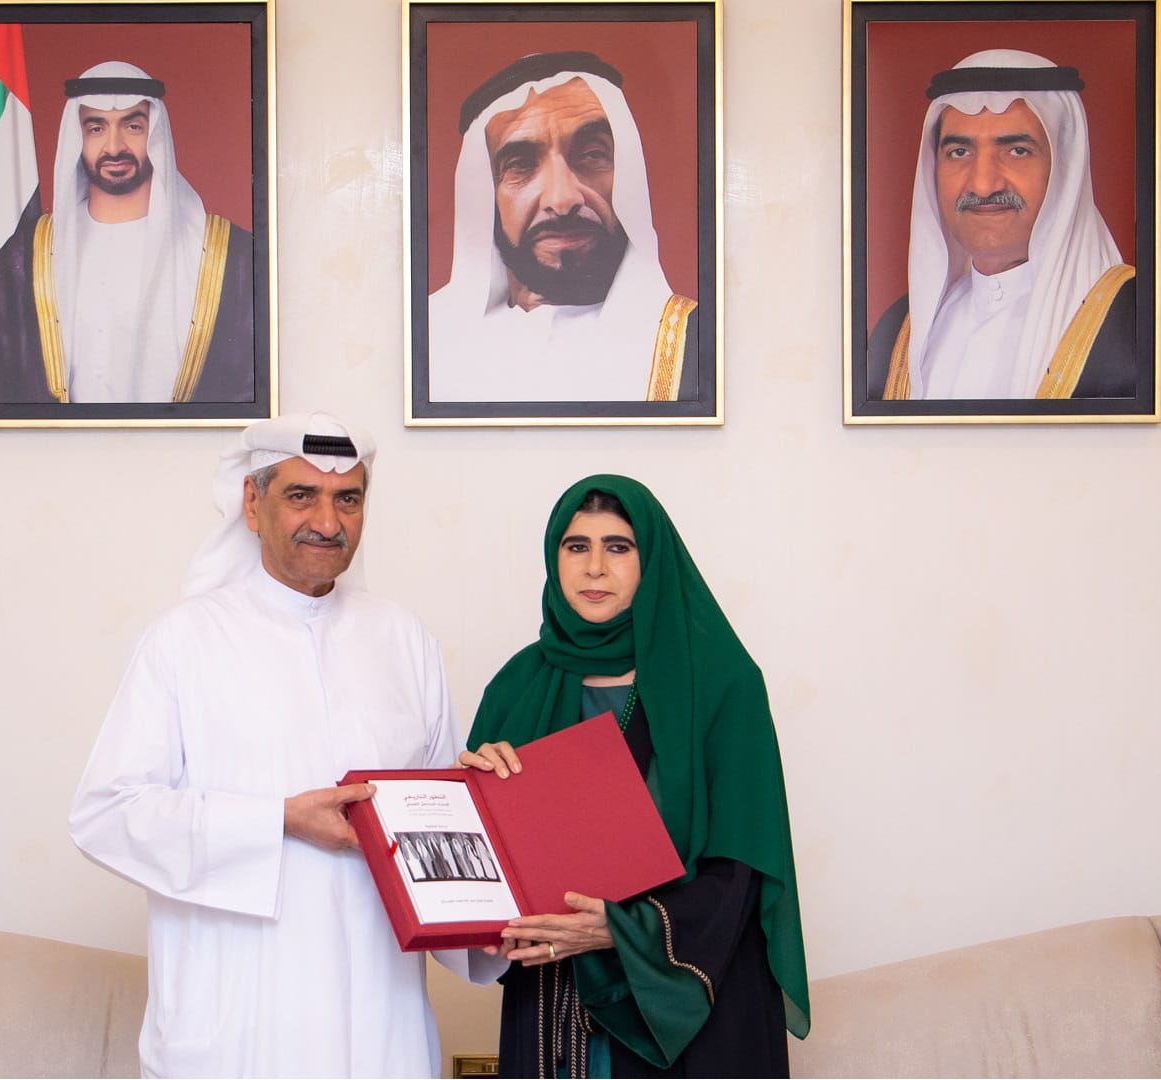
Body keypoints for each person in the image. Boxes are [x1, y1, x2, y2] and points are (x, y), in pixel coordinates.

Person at [68, 412, 457, 1077]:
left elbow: (442, 818)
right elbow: (107, 813)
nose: (328, 523)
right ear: (252, 503)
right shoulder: (183, 641)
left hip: (377, 1015)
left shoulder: (405, 641)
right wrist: (276, 821)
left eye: (348, 499)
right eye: (301, 495)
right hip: (239, 1021)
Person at [458, 475, 810, 1077]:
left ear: (651, 559)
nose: (595, 568)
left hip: (696, 1009)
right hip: (553, 1004)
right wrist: (476, 801)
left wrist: (620, 931)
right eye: (576, 547)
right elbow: (485, 870)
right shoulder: (517, 688)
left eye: (618, 547)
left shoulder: (722, 684)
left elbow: (743, 870)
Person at [428, 52, 702, 404]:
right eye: (521, 165)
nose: (562, 199)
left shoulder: (694, 344)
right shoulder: (427, 343)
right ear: (485, 197)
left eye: (591, 154)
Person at [867, 49, 1138, 401]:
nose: (983, 184)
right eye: (959, 152)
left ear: (1064, 168)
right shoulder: (897, 332)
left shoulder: (1135, 323)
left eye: (1017, 151)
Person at [0, 60, 255, 405]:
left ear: (154, 133)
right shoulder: (26, 257)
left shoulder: (229, 256)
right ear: (76, 136)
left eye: (133, 127)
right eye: (96, 128)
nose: (113, 147)